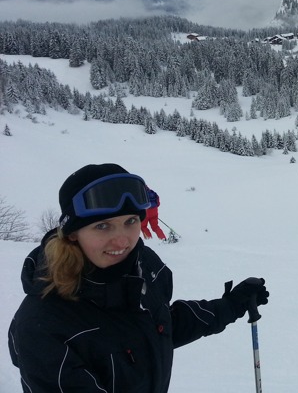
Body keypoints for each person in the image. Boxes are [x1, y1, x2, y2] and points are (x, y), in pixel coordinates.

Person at [7, 163, 269, 392]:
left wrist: (230, 305)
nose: (122, 241)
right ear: (73, 233)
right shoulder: (42, 327)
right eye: (102, 226)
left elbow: (159, 326)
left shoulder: (143, 268)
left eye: (130, 221)